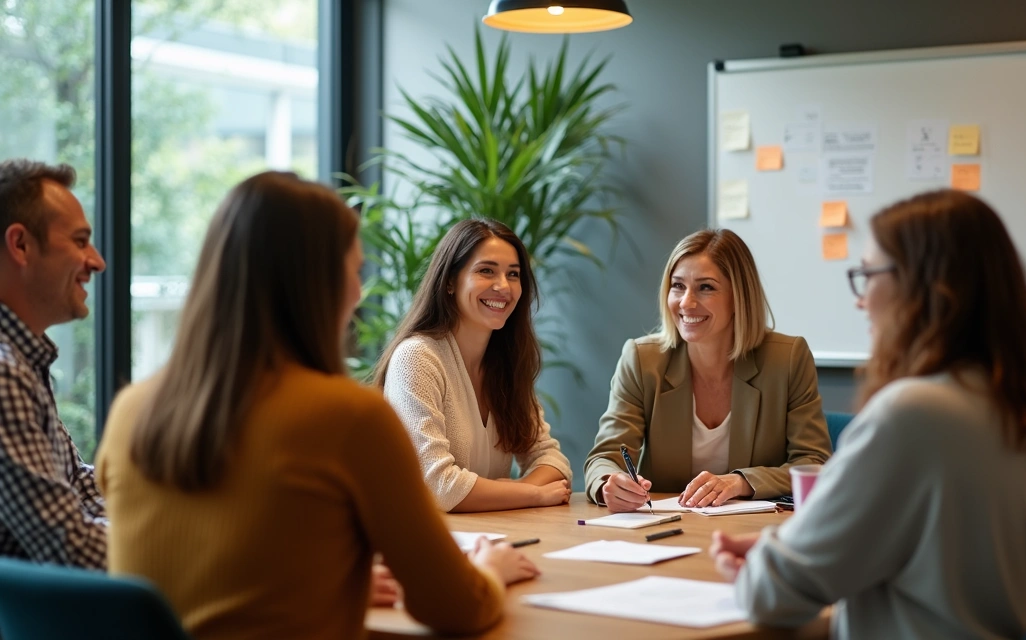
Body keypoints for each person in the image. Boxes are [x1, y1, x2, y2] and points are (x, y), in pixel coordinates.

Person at [95, 173, 537, 639]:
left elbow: (209, 564)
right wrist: (491, 568)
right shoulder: (349, 418)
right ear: (320, 286)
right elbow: (457, 606)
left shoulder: (129, 410)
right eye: (354, 271)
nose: (357, 292)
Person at [712, 190, 1026, 639]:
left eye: (868, 274)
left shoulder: (912, 414)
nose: (861, 299)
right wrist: (792, 546)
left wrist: (767, 560)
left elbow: (775, 594)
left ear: (924, 284)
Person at [585, 228, 830, 512]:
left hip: (756, 531)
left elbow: (813, 462)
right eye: (678, 286)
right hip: (666, 528)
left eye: (706, 287)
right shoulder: (642, 360)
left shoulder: (787, 359)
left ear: (739, 297)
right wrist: (609, 484)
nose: (686, 302)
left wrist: (741, 482)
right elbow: (605, 456)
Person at [373, 218, 572, 513]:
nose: (503, 286)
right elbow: (438, 487)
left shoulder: (506, 362)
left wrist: (509, 491)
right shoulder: (416, 358)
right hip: (423, 543)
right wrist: (532, 494)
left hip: (488, 534)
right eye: (486, 270)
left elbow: (553, 462)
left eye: (513, 274)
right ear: (450, 281)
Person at [0, 159, 107, 568]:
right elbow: (69, 548)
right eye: (80, 241)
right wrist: (174, 548)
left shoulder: (22, 358)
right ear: (21, 245)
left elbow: (77, 484)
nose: (97, 262)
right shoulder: (4, 373)